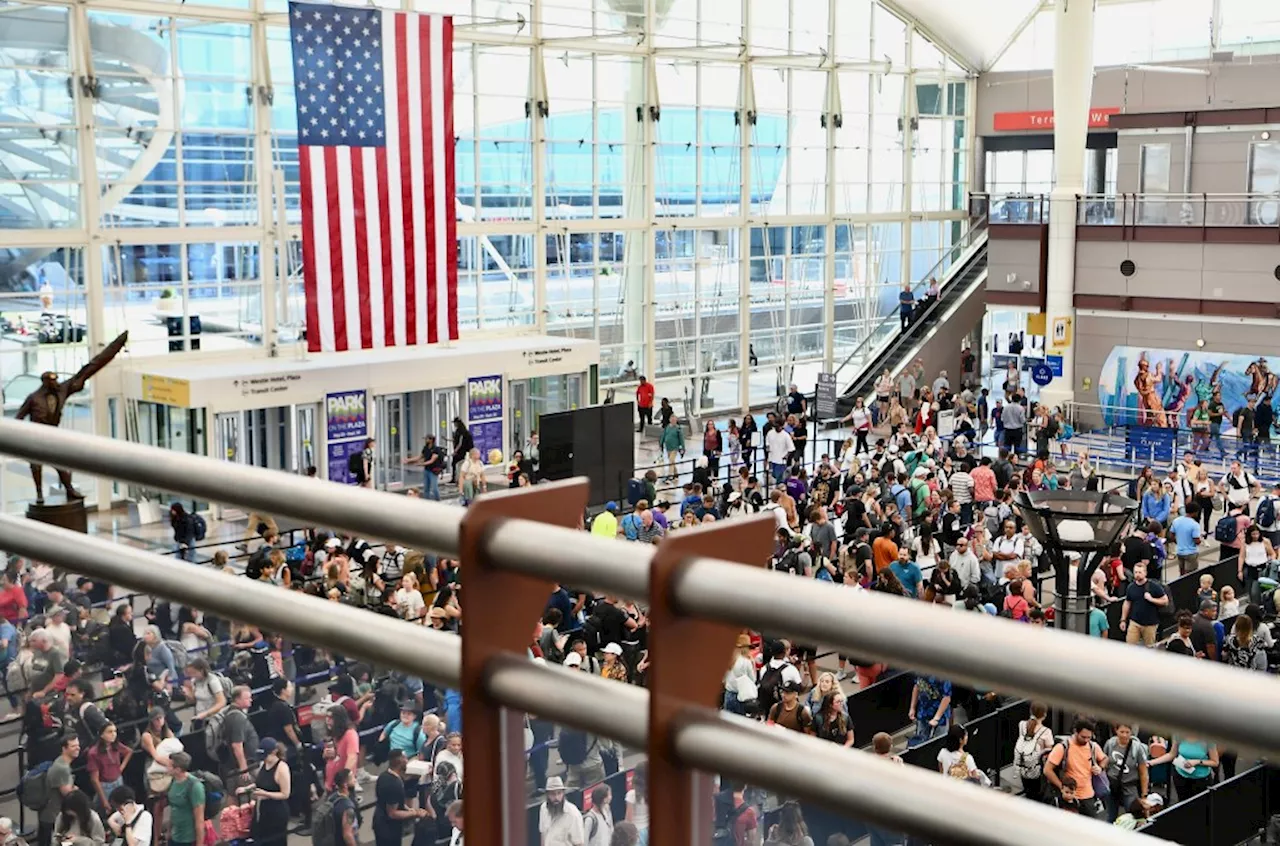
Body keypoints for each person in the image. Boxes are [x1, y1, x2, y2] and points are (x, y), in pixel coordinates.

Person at [1043, 718, 1109, 819]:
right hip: (1069, 799)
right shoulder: (1063, 747)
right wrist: (1062, 787)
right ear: (1075, 732)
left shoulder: (1092, 746)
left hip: (1088, 796)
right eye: (1083, 737)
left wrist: (1100, 767)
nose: (1086, 740)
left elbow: (1104, 758)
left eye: (1089, 737)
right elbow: (1047, 770)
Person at [373, 751, 426, 846]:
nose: (408, 761)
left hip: (380, 822)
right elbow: (392, 813)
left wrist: (409, 809)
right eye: (405, 758)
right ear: (400, 762)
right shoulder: (394, 785)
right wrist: (415, 813)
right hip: (388, 829)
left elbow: (398, 802)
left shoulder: (384, 775)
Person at [38, 735, 78, 846]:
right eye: (73, 746)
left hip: (49, 813)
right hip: (53, 815)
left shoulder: (61, 763)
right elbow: (67, 793)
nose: (77, 748)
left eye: (78, 745)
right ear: (64, 748)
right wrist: (74, 789)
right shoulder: (62, 768)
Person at [251, 738, 291, 846]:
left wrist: (265, 794)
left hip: (277, 813)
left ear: (274, 752)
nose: (263, 759)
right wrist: (247, 788)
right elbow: (260, 782)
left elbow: (285, 794)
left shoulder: (282, 768)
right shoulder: (263, 764)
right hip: (263, 811)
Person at [1120, 563, 1168, 647]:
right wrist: (1123, 620)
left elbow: (1165, 601)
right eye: (1135, 572)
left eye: (1140, 572)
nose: (1137, 575)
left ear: (1145, 573)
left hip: (1150, 624)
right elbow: (1127, 603)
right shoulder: (1131, 587)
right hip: (1135, 622)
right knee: (1129, 646)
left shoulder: (1154, 586)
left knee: (1149, 648)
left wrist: (1151, 599)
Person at [166, 752, 206, 846]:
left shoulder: (194, 786)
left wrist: (200, 843)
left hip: (188, 839)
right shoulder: (173, 781)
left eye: (169, 765)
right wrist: (169, 831)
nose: (166, 767)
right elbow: (173, 809)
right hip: (175, 836)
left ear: (178, 769)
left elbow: (199, 819)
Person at [540, 776, 585, 846]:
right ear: (547, 795)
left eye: (559, 793)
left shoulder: (573, 813)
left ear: (563, 793)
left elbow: (579, 843)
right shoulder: (544, 808)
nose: (556, 798)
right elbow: (543, 834)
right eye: (552, 794)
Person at [659, 416, 685, 482]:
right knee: (672, 462)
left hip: (675, 448)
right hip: (668, 447)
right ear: (670, 420)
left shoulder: (678, 428)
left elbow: (681, 439)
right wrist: (661, 443)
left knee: (671, 460)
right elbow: (663, 435)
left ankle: (669, 476)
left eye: (675, 420)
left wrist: (683, 448)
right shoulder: (667, 427)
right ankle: (676, 474)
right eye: (672, 420)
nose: (673, 421)